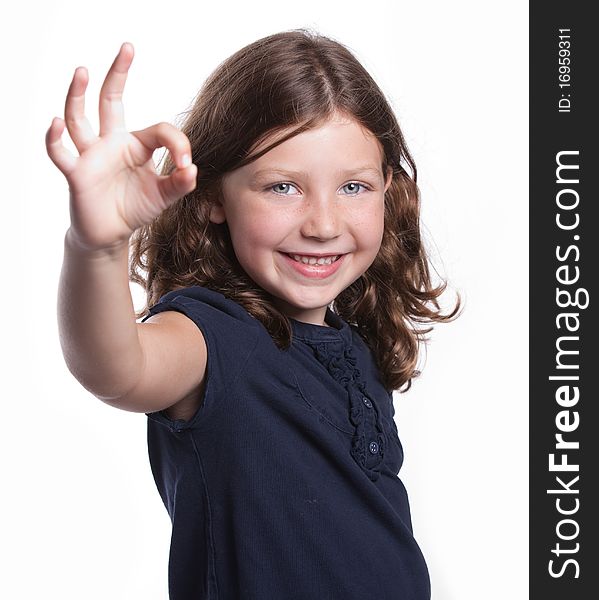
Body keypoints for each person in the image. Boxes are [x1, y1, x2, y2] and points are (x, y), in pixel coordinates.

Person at [46, 29, 459, 599]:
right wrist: (97, 246)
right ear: (213, 196)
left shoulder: (355, 347)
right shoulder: (208, 336)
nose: (323, 223)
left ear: (388, 188)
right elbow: (118, 367)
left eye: (354, 187)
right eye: (283, 187)